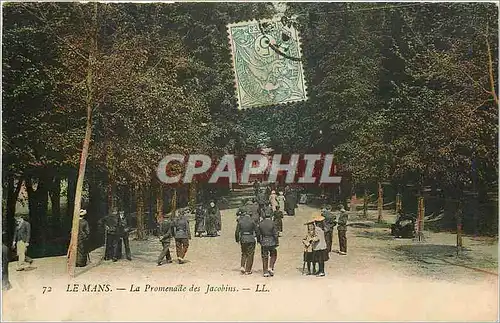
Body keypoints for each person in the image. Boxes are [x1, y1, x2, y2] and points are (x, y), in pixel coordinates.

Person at [235, 210, 258, 275]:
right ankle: (248, 270)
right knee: (250, 254)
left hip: (243, 238)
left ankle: (242, 266)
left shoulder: (240, 221)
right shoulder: (252, 221)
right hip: (250, 238)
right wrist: (258, 239)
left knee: (244, 253)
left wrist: (237, 240)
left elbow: (237, 232)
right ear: (250, 215)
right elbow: (257, 231)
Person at [257, 211, 279, 277]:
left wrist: (259, 241)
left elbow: (258, 234)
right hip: (271, 241)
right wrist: (276, 241)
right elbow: (275, 234)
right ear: (271, 216)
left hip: (264, 241)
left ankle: (265, 271)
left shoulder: (261, 223)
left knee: (264, 256)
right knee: (274, 254)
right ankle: (271, 267)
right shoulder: (273, 223)